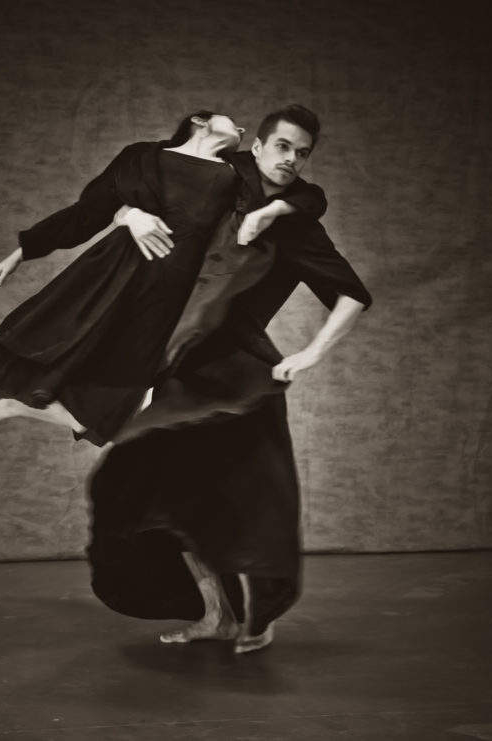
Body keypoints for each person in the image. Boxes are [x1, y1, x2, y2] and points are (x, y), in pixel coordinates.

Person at [87, 105, 373, 654]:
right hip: (180, 367)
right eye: (283, 146)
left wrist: (312, 353)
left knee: (242, 505)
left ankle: (257, 615)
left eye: (303, 153)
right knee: (157, 495)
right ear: (257, 147)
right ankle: (216, 615)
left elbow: (352, 294)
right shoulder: (217, 180)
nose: (291, 159)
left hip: (241, 377)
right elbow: (134, 183)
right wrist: (128, 214)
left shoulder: (297, 226)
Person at [0, 111, 326, 444]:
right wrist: (23, 252)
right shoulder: (141, 157)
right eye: (232, 122)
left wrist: (275, 211)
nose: (240, 129)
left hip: (164, 298)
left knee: (105, 410)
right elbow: (87, 212)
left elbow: (310, 197)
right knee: (33, 335)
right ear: (200, 122)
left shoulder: (237, 173)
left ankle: (14, 408)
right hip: (110, 271)